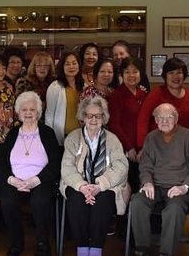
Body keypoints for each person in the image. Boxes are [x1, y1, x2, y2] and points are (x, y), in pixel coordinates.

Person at [130, 103, 189, 256]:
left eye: (169, 117)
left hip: (179, 188)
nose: (164, 121)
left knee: (174, 209)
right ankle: (141, 247)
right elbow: (145, 166)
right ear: (155, 120)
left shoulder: (188, 136)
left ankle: (166, 252)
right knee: (137, 201)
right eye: (160, 117)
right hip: (155, 186)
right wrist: (147, 182)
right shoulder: (151, 137)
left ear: (176, 119)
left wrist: (184, 187)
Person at [61, 95, 129, 256]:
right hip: (78, 185)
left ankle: (96, 249)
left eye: (98, 116)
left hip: (105, 185)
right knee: (76, 200)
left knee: (103, 201)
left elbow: (121, 166)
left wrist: (100, 185)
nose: (93, 119)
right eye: (89, 115)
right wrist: (82, 186)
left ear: (103, 118)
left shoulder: (112, 139)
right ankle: (83, 249)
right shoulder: (73, 138)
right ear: (82, 117)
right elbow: (66, 167)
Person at [0, 91, 61, 256]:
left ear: (38, 112)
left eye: (32, 109)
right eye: (24, 110)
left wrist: (36, 180)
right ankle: (17, 243)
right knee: (8, 201)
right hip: (15, 181)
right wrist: (12, 180)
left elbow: (55, 164)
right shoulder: (12, 134)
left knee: (40, 200)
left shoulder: (47, 133)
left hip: (41, 181)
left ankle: (42, 243)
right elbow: (1, 163)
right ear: (18, 112)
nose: (28, 113)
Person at [136, 57, 189, 149]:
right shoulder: (156, 94)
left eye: (179, 72)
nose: (175, 76)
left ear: (184, 75)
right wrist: (142, 146)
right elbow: (143, 119)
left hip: (185, 145)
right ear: (165, 76)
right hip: (159, 146)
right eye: (171, 73)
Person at [108, 56, 147, 193]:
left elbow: (147, 121)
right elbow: (114, 125)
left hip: (142, 150)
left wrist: (142, 147)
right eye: (127, 72)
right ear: (121, 74)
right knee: (127, 187)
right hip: (124, 150)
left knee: (141, 185)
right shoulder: (117, 95)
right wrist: (129, 147)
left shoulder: (143, 93)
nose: (131, 75)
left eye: (135, 71)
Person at [45, 51, 84, 146]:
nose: (71, 67)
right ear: (62, 67)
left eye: (74, 63)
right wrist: (50, 139)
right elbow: (49, 115)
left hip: (82, 136)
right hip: (63, 137)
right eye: (67, 64)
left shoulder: (84, 86)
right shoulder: (55, 87)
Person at [15, 51, 56, 118]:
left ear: (50, 67)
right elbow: (20, 106)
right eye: (39, 65)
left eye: (46, 66)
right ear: (34, 67)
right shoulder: (24, 82)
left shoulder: (54, 83)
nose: (42, 68)